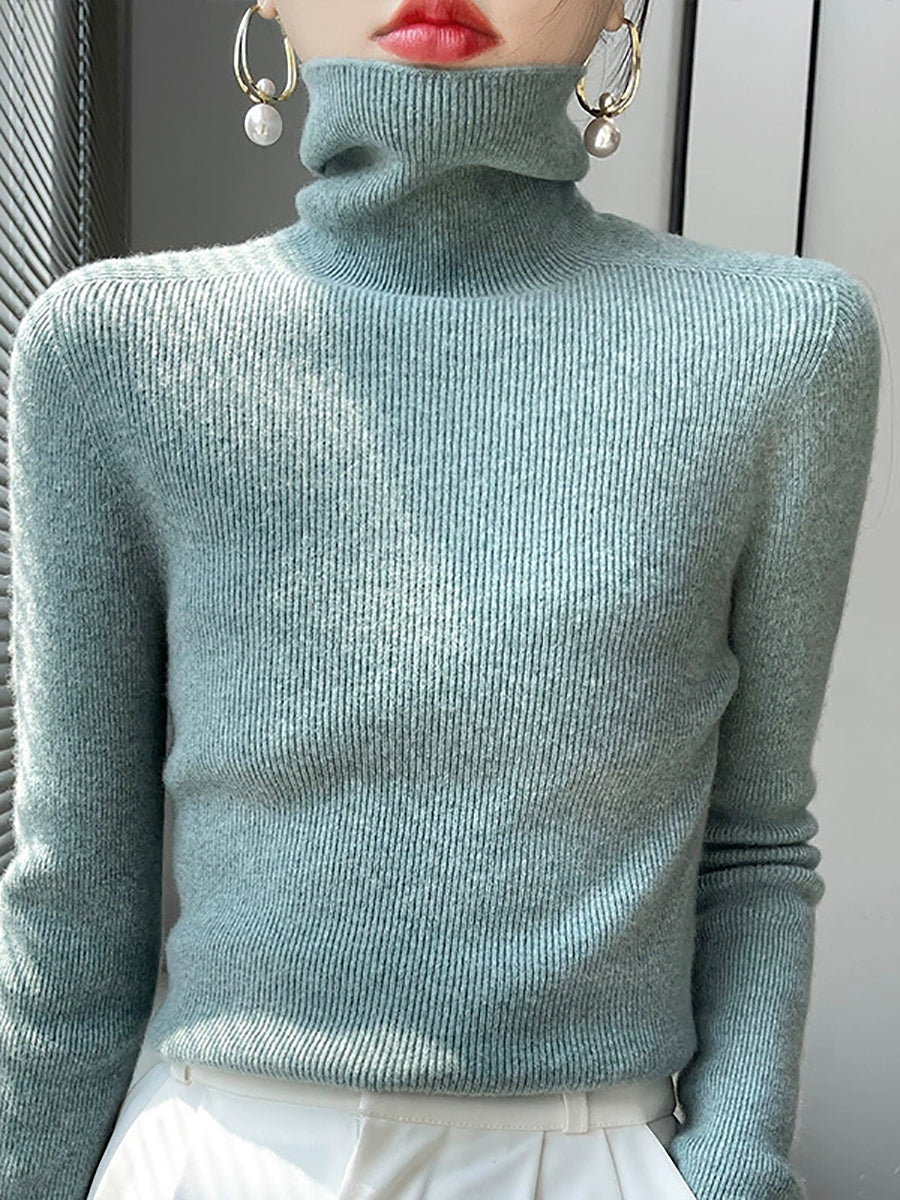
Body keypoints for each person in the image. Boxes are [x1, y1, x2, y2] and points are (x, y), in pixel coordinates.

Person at [0, 0, 881, 1197]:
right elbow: (73, 900)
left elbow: (756, 839)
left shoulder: (781, 345)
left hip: (592, 1157)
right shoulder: (111, 352)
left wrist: (730, 1168)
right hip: (212, 1155)